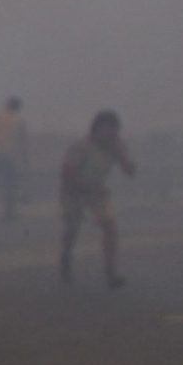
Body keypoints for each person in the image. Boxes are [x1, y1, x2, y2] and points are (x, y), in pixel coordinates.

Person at [59, 109, 137, 289]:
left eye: (114, 130)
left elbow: (130, 172)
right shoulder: (81, 146)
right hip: (74, 191)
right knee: (73, 229)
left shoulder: (116, 146)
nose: (110, 134)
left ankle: (110, 271)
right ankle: (66, 257)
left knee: (110, 227)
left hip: (97, 192)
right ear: (96, 129)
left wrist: (123, 156)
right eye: (106, 129)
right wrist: (87, 188)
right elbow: (67, 174)